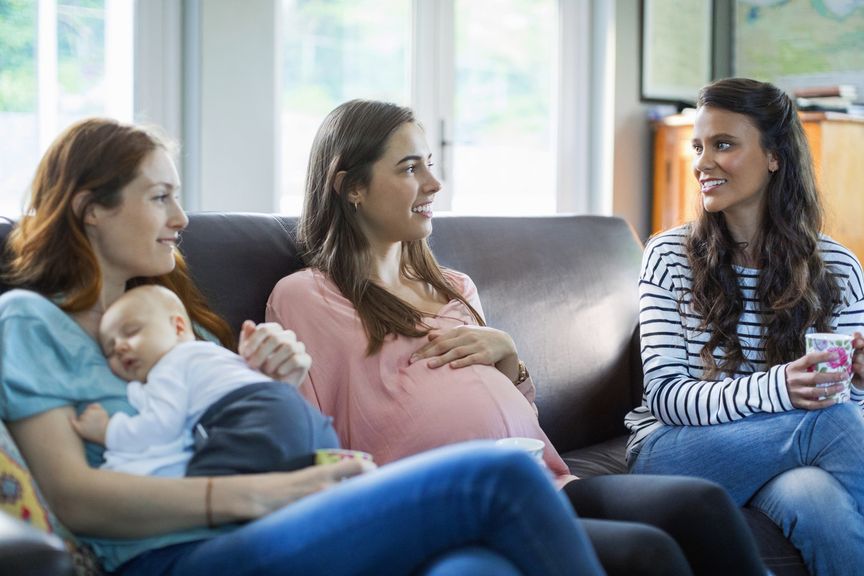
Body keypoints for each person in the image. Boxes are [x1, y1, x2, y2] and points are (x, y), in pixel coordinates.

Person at [0, 117, 608, 576]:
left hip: (255, 520)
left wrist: (272, 389)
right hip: (171, 553)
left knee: (478, 569)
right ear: (91, 210)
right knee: (496, 474)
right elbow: (77, 499)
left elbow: (230, 437)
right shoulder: (30, 320)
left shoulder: (174, 318)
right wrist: (267, 493)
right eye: (160, 197)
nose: (181, 218)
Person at [266, 98, 766, 576]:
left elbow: (520, 416)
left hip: (546, 479)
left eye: (430, 164)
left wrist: (510, 360)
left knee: (701, 503)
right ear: (350, 187)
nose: (433, 184)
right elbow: (308, 445)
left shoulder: (454, 286)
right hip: (455, 507)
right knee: (646, 554)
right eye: (410, 168)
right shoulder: (307, 298)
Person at [624, 77, 864, 575]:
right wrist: (783, 388)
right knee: (827, 418)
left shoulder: (838, 267)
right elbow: (666, 396)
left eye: (724, 144)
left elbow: (851, 409)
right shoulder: (669, 256)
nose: (702, 163)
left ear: (774, 155)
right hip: (673, 450)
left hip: (789, 455)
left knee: (819, 502)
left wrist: (859, 380)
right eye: (699, 146)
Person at [69, 284, 340, 477]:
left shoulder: (170, 365)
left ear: (177, 327)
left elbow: (161, 426)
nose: (121, 348)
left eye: (131, 332)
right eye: (110, 349)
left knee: (205, 482)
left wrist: (108, 431)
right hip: (307, 419)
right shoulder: (209, 354)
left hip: (252, 419)